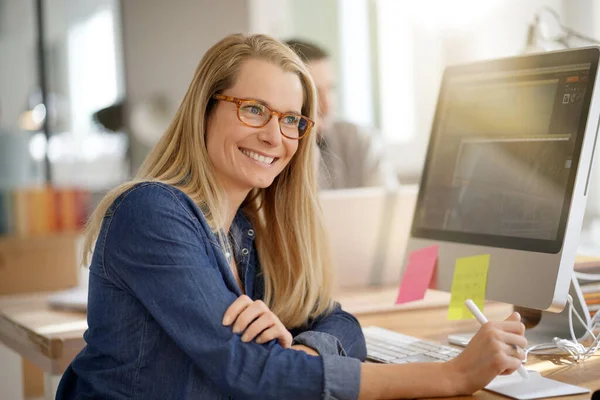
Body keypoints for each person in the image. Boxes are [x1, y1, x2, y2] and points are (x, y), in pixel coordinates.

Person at [56, 33, 527, 400]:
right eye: (254, 110)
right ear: (204, 110)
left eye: (291, 120)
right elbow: (252, 374)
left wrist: (305, 349)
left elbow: (341, 324)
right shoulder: (153, 213)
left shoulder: (246, 229)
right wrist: (451, 374)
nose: (274, 136)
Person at [286, 38, 398, 190]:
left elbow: (388, 202)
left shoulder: (358, 139)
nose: (328, 104)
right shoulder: (275, 151)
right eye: (315, 92)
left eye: (331, 89)